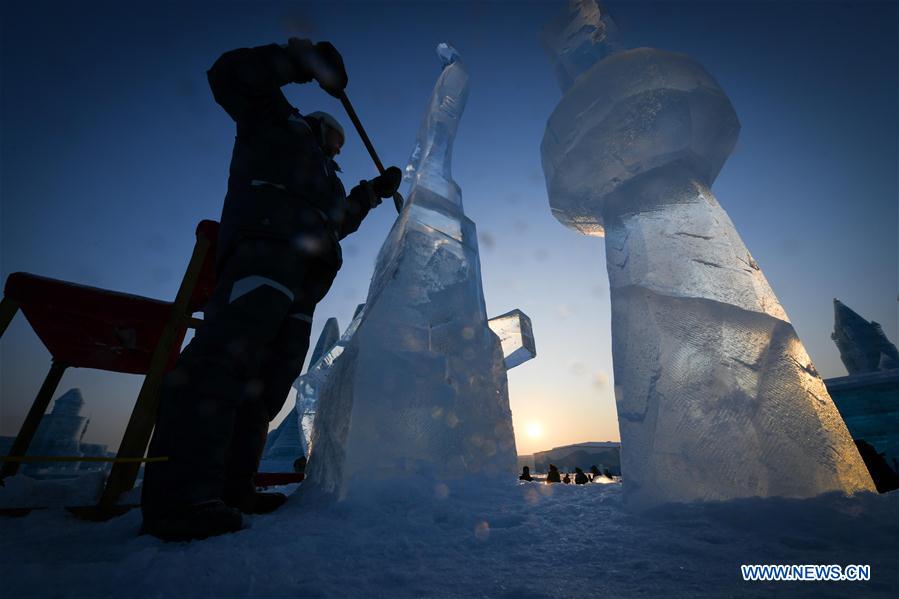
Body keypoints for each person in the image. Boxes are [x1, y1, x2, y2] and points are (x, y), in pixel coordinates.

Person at [141, 38, 402, 542]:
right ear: (321, 127)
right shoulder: (273, 121)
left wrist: (372, 193)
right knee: (223, 360)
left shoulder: (325, 178)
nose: (337, 150)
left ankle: (233, 488)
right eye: (335, 140)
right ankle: (180, 497)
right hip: (265, 246)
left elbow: (338, 221)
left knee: (267, 385)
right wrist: (300, 62)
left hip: (307, 278)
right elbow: (229, 75)